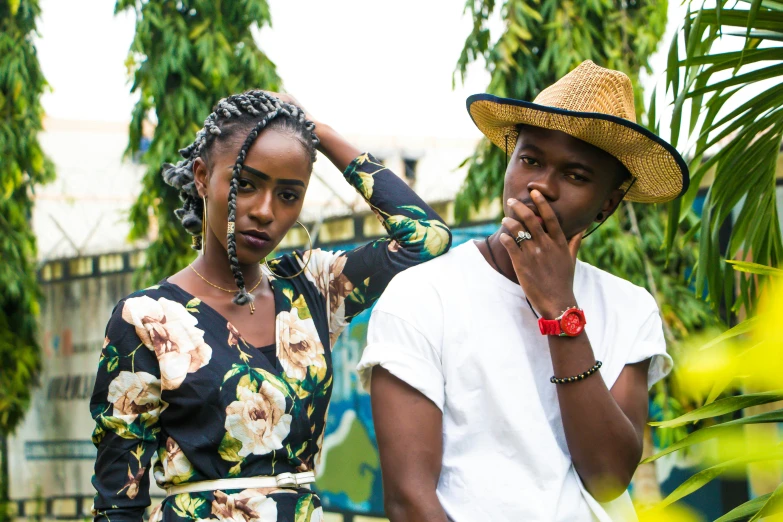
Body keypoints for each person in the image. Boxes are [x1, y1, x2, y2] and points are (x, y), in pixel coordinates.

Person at [89, 91, 451, 522]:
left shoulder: (313, 288)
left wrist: (319, 133)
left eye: (288, 194)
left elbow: (426, 238)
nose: (264, 211)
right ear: (202, 177)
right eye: (245, 184)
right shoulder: (147, 317)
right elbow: (118, 501)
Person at [358, 60, 689, 522]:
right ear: (509, 160)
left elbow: (610, 476)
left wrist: (559, 308)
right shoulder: (421, 297)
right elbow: (410, 501)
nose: (541, 187)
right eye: (530, 160)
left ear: (608, 203)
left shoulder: (629, 307)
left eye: (576, 175)